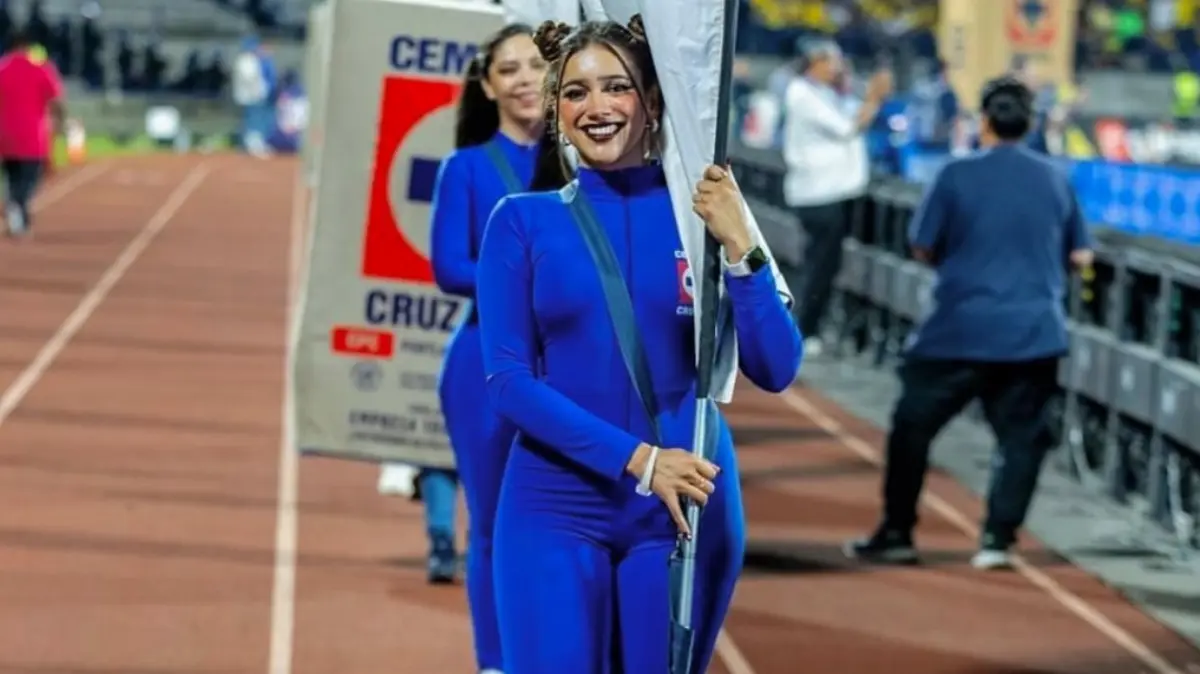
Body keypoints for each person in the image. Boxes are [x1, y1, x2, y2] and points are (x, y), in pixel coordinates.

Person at [476, 17, 802, 673]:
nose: (595, 108)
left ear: (653, 102)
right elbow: (508, 381)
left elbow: (777, 366)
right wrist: (642, 461)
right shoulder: (521, 222)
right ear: (556, 112)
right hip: (555, 504)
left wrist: (743, 248)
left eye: (616, 88)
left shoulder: (706, 214)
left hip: (685, 510)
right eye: (575, 93)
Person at [844, 76, 1094, 571]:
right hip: (1032, 333)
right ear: (1030, 123)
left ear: (983, 122)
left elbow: (922, 244)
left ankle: (897, 532)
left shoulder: (954, 175)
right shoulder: (1056, 178)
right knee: (1022, 438)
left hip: (957, 329)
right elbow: (1081, 254)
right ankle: (997, 539)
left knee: (912, 427)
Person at [426, 22, 545, 674]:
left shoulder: (579, 160)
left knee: (557, 528)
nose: (525, 78)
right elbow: (447, 267)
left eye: (536, 64)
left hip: (569, 368)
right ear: (488, 84)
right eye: (510, 68)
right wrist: (533, 279)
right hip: (485, 365)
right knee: (496, 527)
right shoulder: (466, 168)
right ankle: (496, 664)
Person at [780, 37, 890, 355]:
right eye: (831, 62)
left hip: (832, 192)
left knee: (825, 266)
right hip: (818, 194)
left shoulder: (824, 93)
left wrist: (861, 94)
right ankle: (803, 331)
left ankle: (808, 328)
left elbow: (856, 116)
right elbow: (847, 128)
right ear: (814, 62)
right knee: (818, 267)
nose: (837, 68)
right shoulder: (802, 93)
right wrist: (874, 96)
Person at [0, 26, 65, 238]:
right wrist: (60, 123)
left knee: (12, 177)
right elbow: (56, 100)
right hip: (31, 135)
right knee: (28, 180)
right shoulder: (40, 68)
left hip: (4, 135)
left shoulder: (2, 68)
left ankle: (18, 214)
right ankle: (16, 206)